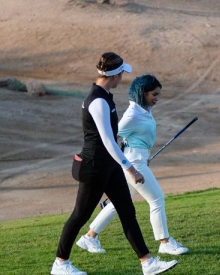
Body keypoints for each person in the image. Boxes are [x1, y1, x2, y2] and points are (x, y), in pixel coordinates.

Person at [51, 53, 177, 275]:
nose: (123, 77)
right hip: (94, 167)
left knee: (127, 211)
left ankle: (147, 262)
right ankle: (60, 263)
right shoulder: (98, 100)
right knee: (79, 215)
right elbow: (108, 140)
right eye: (122, 73)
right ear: (115, 75)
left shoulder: (105, 96)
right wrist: (130, 168)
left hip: (108, 166)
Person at [76, 74, 188, 256]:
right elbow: (111, 136)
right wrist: (125, 159)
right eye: (154, 94)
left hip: (140, 159)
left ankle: (89, 237)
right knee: (157, 199)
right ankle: (165, 242)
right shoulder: (132, 115)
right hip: (133, 162)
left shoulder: (144, 110)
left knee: (118, 203)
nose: (157, 98)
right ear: (142, 93)